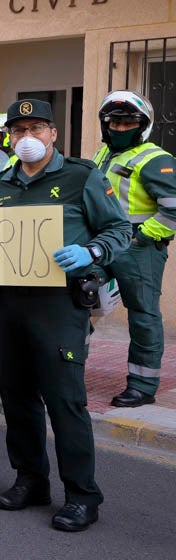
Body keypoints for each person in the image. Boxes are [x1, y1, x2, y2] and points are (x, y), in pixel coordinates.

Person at [0, 99, 131, 531]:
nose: (26, 137)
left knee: (64, 400)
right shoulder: (0, 183)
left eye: (36, 128)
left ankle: (83, 495)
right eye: (18, 130)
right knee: (18, 397)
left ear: (53, 134)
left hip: (59, 306)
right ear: (9, 137)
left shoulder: (81, 176)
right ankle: (30, 479)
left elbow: (120, 230)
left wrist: (91, 251)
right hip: (8, 305)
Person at [93, 91, 176, 408]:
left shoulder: (156, 159)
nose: (119, 127)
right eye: (113, 121)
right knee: (78, 298)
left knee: (143, 315)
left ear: (143, 126)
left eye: (128, 121)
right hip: (102, 243)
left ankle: (142, 385)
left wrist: (139, 237)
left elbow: (173, 209)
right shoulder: (103, 155)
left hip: (138, 249)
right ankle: (67, 372)